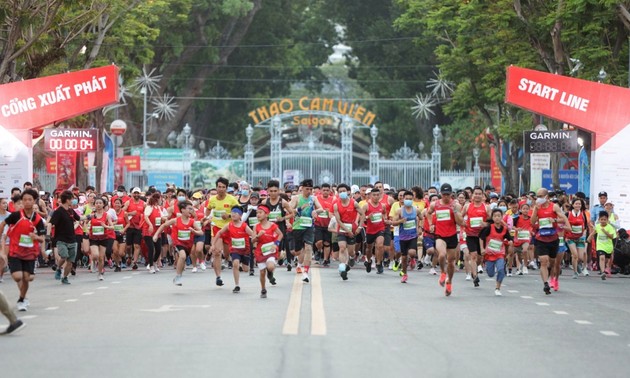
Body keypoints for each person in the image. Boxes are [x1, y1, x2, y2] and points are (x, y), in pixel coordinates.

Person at [0, 189, 46, 311]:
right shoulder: (16, 215)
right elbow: (3, 224)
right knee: (17, 276)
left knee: (27, 278)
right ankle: (23, 298)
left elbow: (42, 238)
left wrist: (36, 237)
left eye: (29, 200)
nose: (26, 202)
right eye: (24, 200)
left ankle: (22, 298)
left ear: (34, 201)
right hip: (15, 250)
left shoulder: (37, 219)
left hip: (30, 252)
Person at [530, 188, 571, 295]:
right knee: (543, 260)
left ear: (547, 197)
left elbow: (563, 218)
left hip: (553, 238)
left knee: (552, 262)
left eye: (540, 196)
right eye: (537, 196)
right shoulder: (537, 208)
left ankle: (550, 273)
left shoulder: (554, 206)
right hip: (541, 238)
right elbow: (532, 222)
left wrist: (556, 220)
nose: (538, 198)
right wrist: (535, 210)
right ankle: (545, 284)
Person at [427, 183, 465, 296]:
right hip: (440, 235)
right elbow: (428, 213)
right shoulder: (435, 204)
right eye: (444, 194)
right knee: (442, 255)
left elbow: (460, 222)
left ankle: (449, 282)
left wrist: (454, 211)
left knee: (451, 263)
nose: (446, 197)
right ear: (441, 194)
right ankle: (443, 273)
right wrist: (430, 224)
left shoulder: (456, 205)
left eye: (448, 194)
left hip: (452, 235)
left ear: (451, 194)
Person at [153, 201, 203, 286]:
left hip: (188, 244)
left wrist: (194, 231)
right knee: (182, 256)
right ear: (182, 210)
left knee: (182, 263)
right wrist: (156, 235)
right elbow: (163, 225)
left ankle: (179, 274)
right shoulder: (175, 220)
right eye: (189, 209)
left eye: (192, 209)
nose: (191, 211)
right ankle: (178, 276)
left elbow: (201, 232)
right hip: (178, 242)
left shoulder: (192, 222)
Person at [211, 207, 256, 293]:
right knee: (235, 264)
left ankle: (243, 265)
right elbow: (219, 233)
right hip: (234, 249)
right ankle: (237, 285)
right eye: (232, 212)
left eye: (236, 213)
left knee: (245, 269)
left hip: (245, 250)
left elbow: (253, 235)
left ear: (240, 216)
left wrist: (256, 243)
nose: (233, 214)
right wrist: (213, 244)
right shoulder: (229, 225)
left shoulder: (244, 225)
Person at [206, 177, 240, 287]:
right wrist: (207, 218)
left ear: (226, 188)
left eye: (223, 187)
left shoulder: (232, 199)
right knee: (217, 252)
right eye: (219, 187)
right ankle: (218, 277)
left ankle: (227, 259)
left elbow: (239, 212)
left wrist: (229, 215)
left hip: (229, 229)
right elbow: (208, 209)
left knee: (226, 254)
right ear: (216, 187)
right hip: (216, 228)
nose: (221, 189)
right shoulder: (212, 199)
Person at [289, 179, 324, 283]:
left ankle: (306, 273)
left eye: (310, 189)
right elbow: (289, 210)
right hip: (298, 227)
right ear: (302, 188)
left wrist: (315, 211)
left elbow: (321, 209)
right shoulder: (296, 198)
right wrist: (299, 209)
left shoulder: (313, 198)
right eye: (307, 189)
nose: (309, 191)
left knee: (308, 248)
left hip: (309, 227)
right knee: (299, 251)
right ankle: (299, 264)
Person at [49, 190, 81, 284]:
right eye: (72, 199)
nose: (73, 201)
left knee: (70, 261)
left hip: (72, 239)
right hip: (61, 239)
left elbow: (79, 218)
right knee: (64, 256)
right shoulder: (58, 211)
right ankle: (58, 268)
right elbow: (51, 223)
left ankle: (65, 277)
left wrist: (90, 216)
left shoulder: (71, 210)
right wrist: (48, 235)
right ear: (67, 200)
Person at [333, 184, 364, 280]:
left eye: (344, 191)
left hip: (353, 229)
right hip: (342, 230)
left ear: (348, 192)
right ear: (338, 193)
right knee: (342, 248)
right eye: (340, 191)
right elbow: (338, 220)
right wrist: (347, 230)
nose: (342, 193)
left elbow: (362, 214)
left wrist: (360, 227)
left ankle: (352, 257)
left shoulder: (354, 203)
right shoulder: (336, 205)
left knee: (351, 251)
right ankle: (342, 268)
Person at [479, 208, 512, 296]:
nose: (497, 218)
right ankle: (491, 269)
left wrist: (510, 242)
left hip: (500, 253)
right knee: (490, 274)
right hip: (489, 254)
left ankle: (497, 288)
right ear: (492, 218)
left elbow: (510, 239)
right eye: (495, 216)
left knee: (501, 270)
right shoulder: (489, 227)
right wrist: (482, 249)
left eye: (499, 216)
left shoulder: (504, 229)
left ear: (502, 217)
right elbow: (481, 238)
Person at [462, 186, 490, 287]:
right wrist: (463, 224)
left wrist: (485, 224)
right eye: (475, 194)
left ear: (483, 196)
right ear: (472, 195)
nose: (477, 196)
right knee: (473, 255)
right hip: (470, 234)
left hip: (481, 236)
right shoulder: (467, 206)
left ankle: (476, 268)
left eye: (479, 194)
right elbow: (460, 217)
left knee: (479, 258)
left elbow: (491, 222)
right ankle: (475, 276)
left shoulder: (486, 207)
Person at [391, 191, 422, 283]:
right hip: (403, 236)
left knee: (412, 252)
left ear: (413, 200)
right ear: (403, 199)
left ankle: (412, 259)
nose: (408, 200)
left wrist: (419, 227)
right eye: (406, 199)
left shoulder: (416, 210)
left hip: (413, 235)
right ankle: (404, 274)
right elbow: (393, 222)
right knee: (404, 258)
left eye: (410, 199)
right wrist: (401, 221)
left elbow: (421, 218)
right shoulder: (399, 211)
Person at [253, 205, 284, 298]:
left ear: (266, 214)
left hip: (271, 250)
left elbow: (280, 234)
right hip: (260, 251)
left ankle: (270, 273)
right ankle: (263, 289)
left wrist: (276, 243)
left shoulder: (272, 225)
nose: (258, 215)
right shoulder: (256, 226)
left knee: (270, 266)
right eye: (257, 213)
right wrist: (258, 236)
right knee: (262, 272)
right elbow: (252, 240)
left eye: (260, 213)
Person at [361, 188, 388, 274]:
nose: (376, 197)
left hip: (380, 228)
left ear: (380, 195)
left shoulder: (382, 205)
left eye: (378, 195)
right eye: (374, 195)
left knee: (380, 245)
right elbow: (361, 217)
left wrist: (385, 218)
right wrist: (368, 217)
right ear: (370, 195)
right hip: (370, 230)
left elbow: (384, 213)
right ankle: (369, 261)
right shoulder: (366, 206)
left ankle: (379, 263)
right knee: (369, 248)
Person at [88, 197, 114, 281]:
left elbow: (112, 227)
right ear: (94, 204)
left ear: (103, 205)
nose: (98, 205)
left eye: (100, 203)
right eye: (96, 203)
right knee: (95, 255)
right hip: (93, 238)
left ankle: (100, 273)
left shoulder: (107, 215)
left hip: (103, 238)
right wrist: (87, 228)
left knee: (101, 257)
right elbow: (84, 222)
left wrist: (105, 226)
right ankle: (93, 261)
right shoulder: (92, 215)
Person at [587, 211, 617, 280]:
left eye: (604, 220)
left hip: (608, 247)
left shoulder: (610, 227)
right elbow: (593, 233)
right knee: (602, 257)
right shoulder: (597, 226)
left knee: (606, 260)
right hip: (600, 246)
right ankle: (603, 272)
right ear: (599, 220)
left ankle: (605, 268)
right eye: (601, 219)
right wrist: (588, 238)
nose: (603, 221)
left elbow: (612, 237)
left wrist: (605, 232)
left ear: (607, 220)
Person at [122, 187, 146, 270]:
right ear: (132, 194)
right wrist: (129, 213)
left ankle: (134, 262)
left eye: (137, 193)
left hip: (138, 227)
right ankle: (129, 256)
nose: (136, 195)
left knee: (136, 245)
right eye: (135, 193)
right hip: (130, 226)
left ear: (140, 194)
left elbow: (147, 214)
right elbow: (122, 212)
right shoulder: (128, 202)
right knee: (128, 246)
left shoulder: (143, 203)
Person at [566, 198, 590, 279]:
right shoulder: (568, 214)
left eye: (579, 204)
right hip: (570, 237)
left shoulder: (583, 214)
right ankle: (575, 272)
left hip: (580, 237)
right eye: (576, 204)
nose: (578, 205)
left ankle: (579, 265)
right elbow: (563, 224)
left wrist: (584, 234)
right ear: (572, 205)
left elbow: (586, 226)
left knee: (580, 257)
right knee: (575, 255)